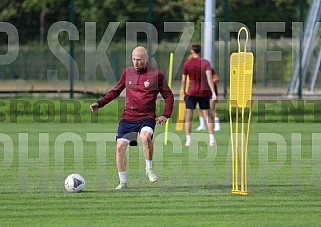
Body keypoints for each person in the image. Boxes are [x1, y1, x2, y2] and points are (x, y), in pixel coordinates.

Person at [90, 46, 174, 190]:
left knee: (145, 137)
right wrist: (100, 103)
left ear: (146, 59)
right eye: (133, 59)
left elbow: (169, 95)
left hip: (147, 116)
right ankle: (123, 182)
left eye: (139, 60)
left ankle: (149, 169)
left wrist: (166, 115)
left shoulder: (156, 75)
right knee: (120, 147)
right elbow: (115, 91)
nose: (136, 62)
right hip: (128, 117)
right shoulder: (127, 73)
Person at [181, 44, 217, 147]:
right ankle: (212, 139)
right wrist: (213, 92)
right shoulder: (205, 62)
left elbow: (183, 81)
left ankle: (188, 140)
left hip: (191, 93)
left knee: (188, 117)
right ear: (200, 51)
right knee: (207, 115)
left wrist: (183, 92)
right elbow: (210, 78)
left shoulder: (187, 63)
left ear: (192, 51)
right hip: (204, 92)